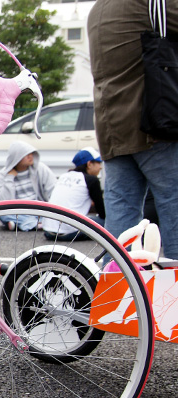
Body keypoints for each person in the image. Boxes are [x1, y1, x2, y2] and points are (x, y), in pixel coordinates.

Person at [88, 0, 178, 258]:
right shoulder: (150, 2)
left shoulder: (98, 9)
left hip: (112, 128)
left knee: (121, 220)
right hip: (155, 124)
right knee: (174, 206)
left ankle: (115, 281)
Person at [42, 148, 106, 240]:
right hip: (71, 233)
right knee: (108, 222)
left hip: (48, 232)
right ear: (89, 164)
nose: (101, 167)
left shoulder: (64, 176)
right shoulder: (91, 180)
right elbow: (102, 212)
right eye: (98, 163)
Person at [0, 140, 57, 231]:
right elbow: (4, 201)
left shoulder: (41, 169)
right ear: (16, 157)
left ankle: (20, 224)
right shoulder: (3, 175)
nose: (30, 156)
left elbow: (52, 189)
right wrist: (9, 178)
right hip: (17, 212)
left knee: (50, 214)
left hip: (39, 209)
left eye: (31, 153)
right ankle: (36, 224)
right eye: (26, 154)